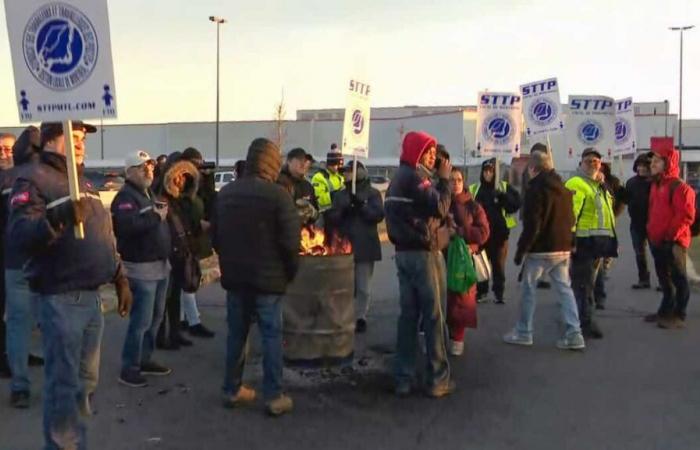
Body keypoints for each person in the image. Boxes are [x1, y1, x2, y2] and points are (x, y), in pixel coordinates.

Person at [7, 121, 132, 449]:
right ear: (50, 140)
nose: (81, 144)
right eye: (72, 137)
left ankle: (76, 443)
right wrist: (56, 219)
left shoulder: (84, 182)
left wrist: (119, 277)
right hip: (61, 298)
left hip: (92, 301)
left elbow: (102, 235)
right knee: (64, 387)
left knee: (85, 384)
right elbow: (19, 235)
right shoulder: (32, 179)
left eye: (82, 139)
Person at [213, 138, 300, 416]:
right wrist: (289, 274)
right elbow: (290, 243)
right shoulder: (279, 197)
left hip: (236, 281)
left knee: (236, 335)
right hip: (269, 283)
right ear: (273, 163)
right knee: (272, 337)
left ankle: (232, 389)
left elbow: (216, 237)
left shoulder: (226, 193)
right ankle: (274, 396)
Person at [384, 131, 454, 398]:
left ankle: (403, 377)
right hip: (424, 254)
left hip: (403, 253)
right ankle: (438, 379)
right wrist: (445, 182)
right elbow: (440, 207)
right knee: (434, 315)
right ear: (416, 152)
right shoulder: (416, 178)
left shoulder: (396, 180)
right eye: (429, 152)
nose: (434, 158)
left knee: (408, 316)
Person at [503, 151, 585, 350]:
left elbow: (533, 224)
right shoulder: (563, 189)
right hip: (562, 247)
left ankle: (524, 331)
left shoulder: (535, 190)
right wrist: (571, 241)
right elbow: (571, 219)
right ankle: (574, 333)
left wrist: (521, 250)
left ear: (533, 168)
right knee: (565, 289)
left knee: (528, 289)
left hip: (540, 249)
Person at [113, 150, 173, 388]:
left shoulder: (147, 193)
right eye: (141, 167)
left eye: (149, 166)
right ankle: (129, 367)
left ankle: (144, 359)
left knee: (156, 317)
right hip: (141, 269)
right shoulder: (126, 198)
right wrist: (155, 218)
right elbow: (127, 227)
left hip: (159, 266)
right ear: (129, 172)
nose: (148, 170)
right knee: (141, 321)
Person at [2, 127, 43, 407]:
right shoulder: (41, 178)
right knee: (21, 320)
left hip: (19, 260)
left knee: (21, 322)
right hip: (22, 260)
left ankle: (20, 380)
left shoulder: (13, 179)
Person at [565, 148, 617, 339]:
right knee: (583, 287)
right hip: (583, 244)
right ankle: (583, 324)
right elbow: (571, 215)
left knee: (589, 286)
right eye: (588, 161)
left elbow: (607, 215)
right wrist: (571, 241)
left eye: (596, 161)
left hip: (598, 245)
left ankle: (581, 320)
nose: (593, 164)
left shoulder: (598, 185)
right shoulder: (577, 183)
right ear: (580, 163)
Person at [326, 161, 384, 333]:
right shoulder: (340, 195)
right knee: (345, 285)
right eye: (344, 172)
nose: (346, 175)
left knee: (363, 287)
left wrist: (362, 206)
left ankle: (360, 316)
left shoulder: (372, 193)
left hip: (365, 245)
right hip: (345, 245)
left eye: (349, 172)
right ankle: (344, 315)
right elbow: (333, 217)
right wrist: (343, 211)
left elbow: (378, 215)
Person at [645, 145, 696, 329]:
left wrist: (669, 238)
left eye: (657, 161)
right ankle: (665, 311)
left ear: (668, 163)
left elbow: (685, 216)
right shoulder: (656, 185)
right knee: (664, 279)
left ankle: (678, 314)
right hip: (657, 241)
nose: (652, 164)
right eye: (652, 161)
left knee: (678, 279)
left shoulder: (680, 187)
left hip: (673, 242)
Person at [155, 152, 200, 350]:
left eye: (185, 177)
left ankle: (174, 333)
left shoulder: (183, 198)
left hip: (180, 251)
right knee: (164, 298)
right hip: (166, 252)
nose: (181, 180)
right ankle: (160, 336)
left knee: (175, 297)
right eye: (178, 176)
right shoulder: (160, 192)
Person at [446, 168, 489, 356]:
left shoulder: (473, 206)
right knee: (443, 299)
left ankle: (458, 338)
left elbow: (484, 233)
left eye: (459, 179)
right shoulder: (441, 202)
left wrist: (461, 232)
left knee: (462, 300)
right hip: (442, 257)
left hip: (464, 260)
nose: (455, 183)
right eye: (451, 180)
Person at [469, 158, 521, 303]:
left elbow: (515, 204)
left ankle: (499, 293)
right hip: (480, 235)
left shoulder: (503, 187)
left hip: (499, 235)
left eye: (491, 171)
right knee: (480, 266)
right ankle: (482, 291)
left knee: (498, 266)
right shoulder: (474, 189)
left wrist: (502, 196)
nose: (488, 174)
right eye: (485, 171)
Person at [178, 147, 216, 339]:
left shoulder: (196, 183)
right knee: (187, 280)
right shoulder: (179, 182)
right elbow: (183, 210)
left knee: (188, 280)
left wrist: (207, 179)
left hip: (193, 237)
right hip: (184, 238)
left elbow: (209, 202)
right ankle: (192, 321)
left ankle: (185, 319)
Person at [521, 143, 552, 289]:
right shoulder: (529, 171)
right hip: (532, 213)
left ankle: (542, 275)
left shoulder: (549, 172)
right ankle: (530, 272)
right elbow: (527, 192)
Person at [0, 132, 16, 378]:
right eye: (1, 149)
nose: (4, 154)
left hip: (18, 254)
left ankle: (18, 353)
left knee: (18, 310)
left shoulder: (21, 178)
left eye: (9, 149)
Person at [624, 153, 653, 289]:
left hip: (653, 224)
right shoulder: (631, 182)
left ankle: (666, 282)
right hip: (636, 224)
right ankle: (643, 279)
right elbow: (625, 199)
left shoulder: (655, 183)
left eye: (645, 166)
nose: (642, 168)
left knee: (659, 255)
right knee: (639, 253)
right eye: (639, 165)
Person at [277, 147, 319, 224]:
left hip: (305, 233)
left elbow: (316, 215)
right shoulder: (277, 183)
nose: (303, 164)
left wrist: (313, 213)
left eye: (305, 161)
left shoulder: (308, 186)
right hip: (284, 232)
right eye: (299, 160)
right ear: (289, 161)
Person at [311, 143, 344, 212]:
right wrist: (337, 195)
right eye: (337, 165)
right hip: (325, 215)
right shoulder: (319, 177)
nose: (339, 167)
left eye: (341, 165)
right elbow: (319, 199)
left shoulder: (341, 176)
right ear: (330, 164)